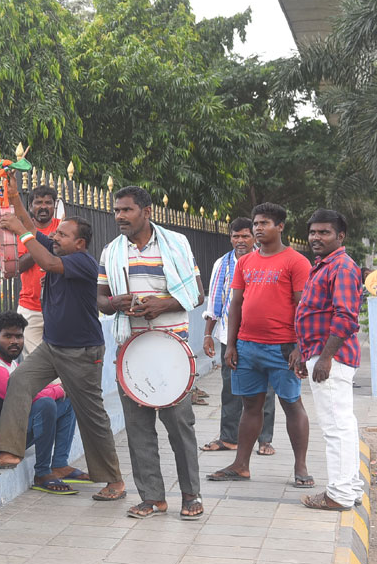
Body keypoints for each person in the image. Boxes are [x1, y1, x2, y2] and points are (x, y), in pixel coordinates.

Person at [0, 175, 127, 503]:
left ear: (79, 243)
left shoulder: (80, 262)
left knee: (91, 415)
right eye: (55, 232)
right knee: (21, 382)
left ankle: (114, 480)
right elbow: (29, 224)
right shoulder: (57, 247)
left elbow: (48, 261)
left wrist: (22, 232)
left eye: (62, 234)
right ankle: (9, 451)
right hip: (53, 347)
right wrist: (14, 197)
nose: (55, 236)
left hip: (82, 354)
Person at [97, 186, 205, 520]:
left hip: (172, 350)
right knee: (139, 428)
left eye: (126, 210)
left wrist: (163, 304)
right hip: (131, 350)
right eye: (116, 211)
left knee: (179, 426)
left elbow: (196, 294)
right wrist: (117, 303)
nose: (119, 217)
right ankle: (152, 497)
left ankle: (191, 495)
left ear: (147, 211)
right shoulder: (111, 252)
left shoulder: (176, 244)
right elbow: (101, 300)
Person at [208, 202, 313, 488]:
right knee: (250, 406)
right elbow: (236, 305)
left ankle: (301, 467)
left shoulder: (296, 261)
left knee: (292, 405)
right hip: (247, 347)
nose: (258, 228)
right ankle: (241, 465)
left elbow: (302, 307)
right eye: (256, 223)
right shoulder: (245, 263)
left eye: (264, 223)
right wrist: (231, 345)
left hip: (282, 348)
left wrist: (301, 347)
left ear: (280, 226)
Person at [295, 209, 365, 511]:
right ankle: (350, 488)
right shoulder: (324, 266)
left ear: (341, 236)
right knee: (343, 426)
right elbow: (314, 313)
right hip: (321, 355)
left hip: (331, 360)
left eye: (324, 232)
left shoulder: (342, 267)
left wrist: (325, 358)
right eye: (313, 232)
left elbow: (346, 317)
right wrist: (302, 349)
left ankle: (338, 494)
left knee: (336, 428)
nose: (315, 237)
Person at [0, 311, 80, 494]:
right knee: (46, 404)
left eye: (19, 336)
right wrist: (62, 388)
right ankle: (42, 473)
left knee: (68, 401)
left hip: (14, 431)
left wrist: (63, 391)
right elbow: (28, 397)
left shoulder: (11, 364)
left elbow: (33, 391)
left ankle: (60, 464)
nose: (14, 341)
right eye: (8, 336)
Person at [201, 218, 277, 455]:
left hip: (262, 337)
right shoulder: (222, 264)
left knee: (265, 390)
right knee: (231, 388)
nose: (240, 241)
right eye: (236, 236)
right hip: (230, 338)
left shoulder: (266, 261)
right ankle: (229, 438)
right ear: (230, 237)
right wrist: (208, 335)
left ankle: (264, 440)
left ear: (254, 237)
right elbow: (215, 301)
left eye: (245, 236)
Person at [15, 185, 61, 355]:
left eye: (48, 203)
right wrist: (42, 244)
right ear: (30, 207)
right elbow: (18, 266)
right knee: (33, 363)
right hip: (30, 307)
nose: (43, 206)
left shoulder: (63, 228)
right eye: (38, 202)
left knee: (61, 361)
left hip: (59, 306)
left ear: (54, 206)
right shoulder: (22, 231)